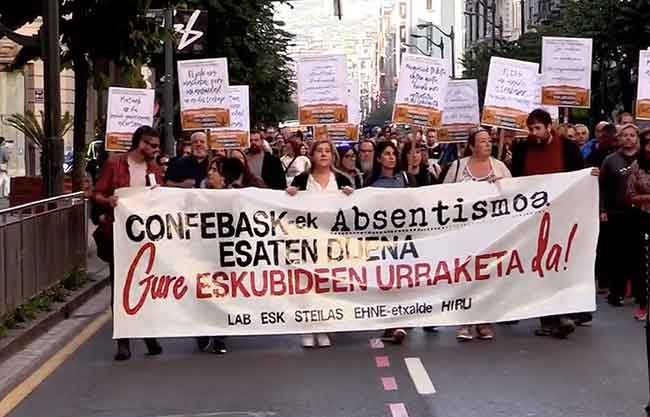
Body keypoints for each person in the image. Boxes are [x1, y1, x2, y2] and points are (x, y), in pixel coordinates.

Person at [511, 108, 596, 338]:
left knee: (562, 263)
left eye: (537, 128)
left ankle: (564, 313)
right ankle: (548, 318)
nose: (534, 133)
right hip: (533, 219)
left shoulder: (568, 149)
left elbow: (579, 176)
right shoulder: (521, 149)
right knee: (541, 265)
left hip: (563, 216)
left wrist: (591, 177)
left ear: (549, 127)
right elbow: (514, 181)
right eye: (530, 129)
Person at [92, 126, 163, 361]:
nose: (155, 149)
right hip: (119, 236)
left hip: (146, 238)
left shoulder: (153, 168)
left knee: (146, 286)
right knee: (121, 287)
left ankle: (149, 335)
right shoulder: (115, 164)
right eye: (151, 145)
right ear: (139, 143)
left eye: (156, 145)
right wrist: (109, 200)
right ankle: (124, 341)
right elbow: (97, 193)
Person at [443, 128, 512, 340]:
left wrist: (499, 186)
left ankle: (483, 321)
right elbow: (443, 196)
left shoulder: (499, 167)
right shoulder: (457, 167)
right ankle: (464, 322)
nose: (487, 144)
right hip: (463, 232)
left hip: (491, 234)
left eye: (489, 141)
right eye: (482, 141)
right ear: (471, 146)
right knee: (465, 277)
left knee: (486, 277)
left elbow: (513, 195)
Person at [286, 139, 353, 348]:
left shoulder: (342, 179)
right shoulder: (302, 179)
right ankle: (308, 327)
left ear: (333, 156)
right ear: (312, 155)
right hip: (306, 240)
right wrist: (291, 194)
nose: (324, 154)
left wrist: (351, 195)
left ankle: (323, 326)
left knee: (326, 284)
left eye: (327, 151)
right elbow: (287, 208)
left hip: (332, 241)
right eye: (319, 151)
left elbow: (353, 210)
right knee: (307, 283)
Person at [366, 141, 411, 344]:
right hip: (380, 242)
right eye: (386, 154)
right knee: (385, 282)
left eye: (394, 153)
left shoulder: (406, 179)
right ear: (378, 158)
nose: (391, 157)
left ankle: (398, 323)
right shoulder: (370, 184)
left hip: (403, 240)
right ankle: (389, 323)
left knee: (401, 281)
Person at [599, 124, 640, 306]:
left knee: (638, 254)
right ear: (619, 138)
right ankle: (617, 292)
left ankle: (641, 294)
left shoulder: (645, 159)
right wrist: (602, 210)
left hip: (640, 212)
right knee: (617, 254)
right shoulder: (610, 160)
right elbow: (601, 187)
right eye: (625, 135)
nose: (629, 138)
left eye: (632, 135)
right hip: (616, 212)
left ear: (637, 138)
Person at [626, 128, 650, 321]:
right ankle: (643, 303)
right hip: (643, 218)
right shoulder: (637, 166)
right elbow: (631, 196)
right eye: (647, 142)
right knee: (643, 263)